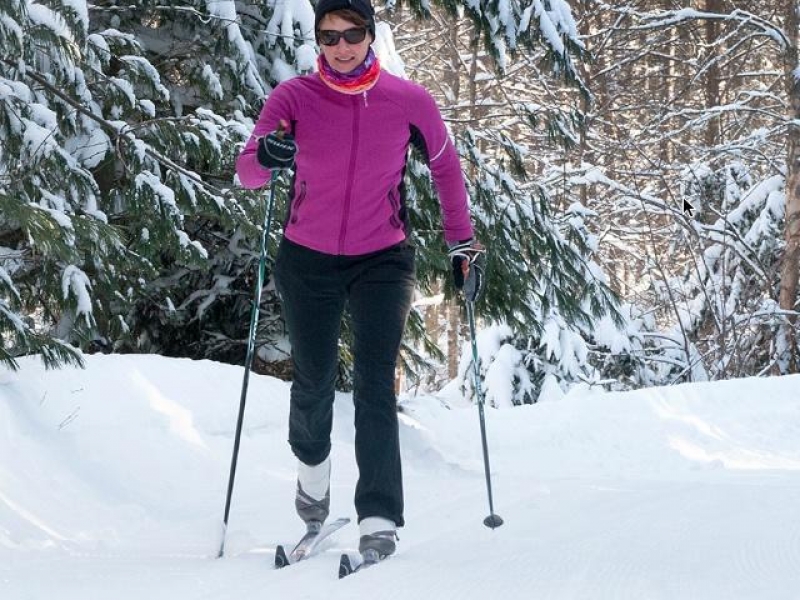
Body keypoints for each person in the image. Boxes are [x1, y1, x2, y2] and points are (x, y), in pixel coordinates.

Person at [235, 0, 484, 562]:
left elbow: (445, 165)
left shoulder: (407, 99)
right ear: (317, 39)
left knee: (374, 385)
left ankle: (379, 518)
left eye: (353, 34)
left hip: (382, 259)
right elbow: (247, 171)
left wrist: (461, 242)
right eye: (330, 36)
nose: (342, 46)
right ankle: (313, 497)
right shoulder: (293, 98)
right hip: (307, 259)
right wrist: (268, 156)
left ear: (370, 36)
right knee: (314, 381)